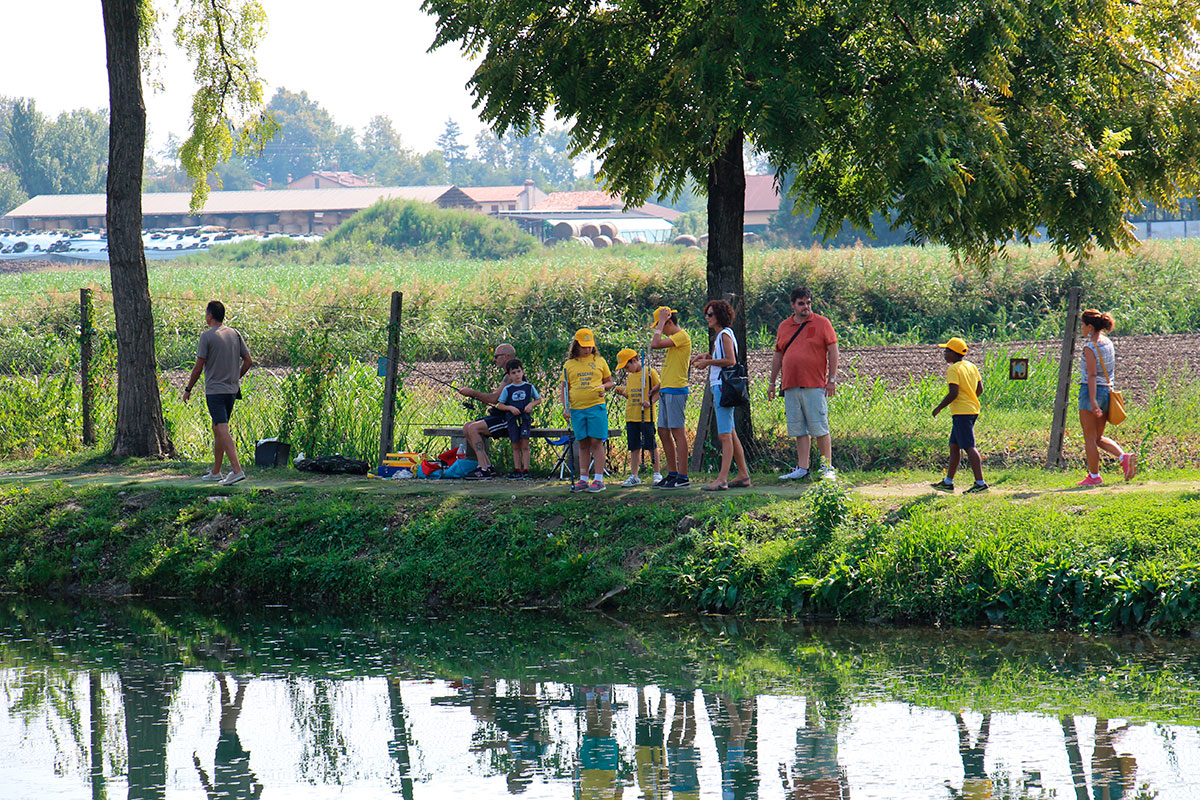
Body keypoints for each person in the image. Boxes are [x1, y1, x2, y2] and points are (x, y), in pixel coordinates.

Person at [768, 288, 839, 481]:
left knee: (819, 427)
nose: (806, 307)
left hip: (814, 384)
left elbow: (833, 351)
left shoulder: (822, 323)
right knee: (798, 428)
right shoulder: (784, 326)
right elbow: (778, 355)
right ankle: (802, 467)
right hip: (791, 385)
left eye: (808, 303)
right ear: (793, 305)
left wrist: (831, 380)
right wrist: (772, 382)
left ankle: (827, 468)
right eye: (801, 303)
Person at [183, 300, 253, 486]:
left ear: (210, 316)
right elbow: (248, 361)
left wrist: (188, 389)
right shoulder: (235, 334)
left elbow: (198, 367)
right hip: (231, 390)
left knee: (221, 428)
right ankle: (216, 471)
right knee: (218, 429)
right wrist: (235, 377)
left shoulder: (207, 337)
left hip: (215, 391)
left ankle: (237, 470)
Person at [691, 299, 751, 491]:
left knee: (724, 435)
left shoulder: (724, 334)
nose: (707, 318)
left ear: (719, 316)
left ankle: (722, 478)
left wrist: (708, 364)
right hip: (721, 386)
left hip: (722, 387)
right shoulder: (724, 335)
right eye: (706, 314)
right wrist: (708, 357)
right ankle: (743, 474)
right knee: (731, 433)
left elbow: (730, 361)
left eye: (710, 314)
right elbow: (723, 359)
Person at [1077, 309, 1137, 486]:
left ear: (1089, 326)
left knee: (1089, 438)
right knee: (1098, 437)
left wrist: (1093, 401)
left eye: (1082, 324)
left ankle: (1094, 477)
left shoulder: (1090, 347)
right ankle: (1123, 457)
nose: (1081, 327)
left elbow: (1092, 375)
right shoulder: (1108, 343)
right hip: (1108, 391)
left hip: (1091, 392)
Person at [930, 337, 988, 494]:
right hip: (971, 410)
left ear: (954, 353)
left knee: (969, 447)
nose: (944, 353)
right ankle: (948, 482)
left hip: (962, 413)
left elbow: (953, 393)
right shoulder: (971, 366)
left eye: (947, 350)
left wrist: (939, 408)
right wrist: (970, 397)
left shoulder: (953, 369)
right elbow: (980, 389)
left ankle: (980, 483)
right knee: (954, 446)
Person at [562, 328, 614, 492]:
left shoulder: (600, 361)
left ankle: (598, 479)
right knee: (583, 443)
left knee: (596, 442)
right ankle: (583, 478)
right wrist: (566, 408)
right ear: (576, 345)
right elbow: (564, 388)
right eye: (584, 346)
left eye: (590, 346)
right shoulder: (569, 365)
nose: (587, 349)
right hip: (577, 409)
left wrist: (603, 387)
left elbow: (610, 382)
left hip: (596, 407)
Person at [457, 343, 517, 480]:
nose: (494, 360)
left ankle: (483, 469)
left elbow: (495, 398)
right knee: (467, 427)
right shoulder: (507, 375)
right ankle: (487, 466)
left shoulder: (512, 375)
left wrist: (472, 393)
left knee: (473, 429)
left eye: (497, 356)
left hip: (510, 420)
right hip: (501, 416)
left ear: (506, 357)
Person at [650, 306, 693, 489]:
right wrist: (658, 387)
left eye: (661, 325)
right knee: (663, 431)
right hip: (667, 390)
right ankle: (673, 473)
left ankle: (683, 476)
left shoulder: (681, 337)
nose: (660, 330)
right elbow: (673, 368)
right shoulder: (673, 341)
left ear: (668, 322)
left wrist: (660, 323)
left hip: (676, 391)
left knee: (677, 432)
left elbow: (655, 344)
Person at [614, 347, 663, 487]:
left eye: (627, 366)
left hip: (646, 417)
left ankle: (657, 473)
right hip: (632, 415)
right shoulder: (631, 377)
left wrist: (650, 402)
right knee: (634, 446)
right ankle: (634, 475)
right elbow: (631, 395)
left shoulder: (649, 373)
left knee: (650, 445)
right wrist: (622, 393)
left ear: (634, 360)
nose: (626, 370)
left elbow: (659, 390)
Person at [493, 358, 542, 480]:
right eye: (513, 373)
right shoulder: (507, 389)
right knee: (515, 445)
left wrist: (531, 405)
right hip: (512, 420)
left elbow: (538, 399)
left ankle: (526, 470)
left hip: (525, 419)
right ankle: (517, 469)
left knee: (525, 445)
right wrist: (510, 408)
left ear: (523, 372)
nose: (517, 375)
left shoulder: (529, 387)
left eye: (518, 371)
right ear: (509, 375)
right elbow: (500, 404)